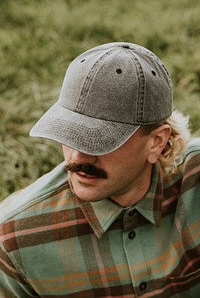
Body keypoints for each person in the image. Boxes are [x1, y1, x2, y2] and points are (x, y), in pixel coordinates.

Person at [0, 42, 199, 298]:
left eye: (100, 141)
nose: (77, 156)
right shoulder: (14, 238)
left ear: (157, 142)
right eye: (70, 133)